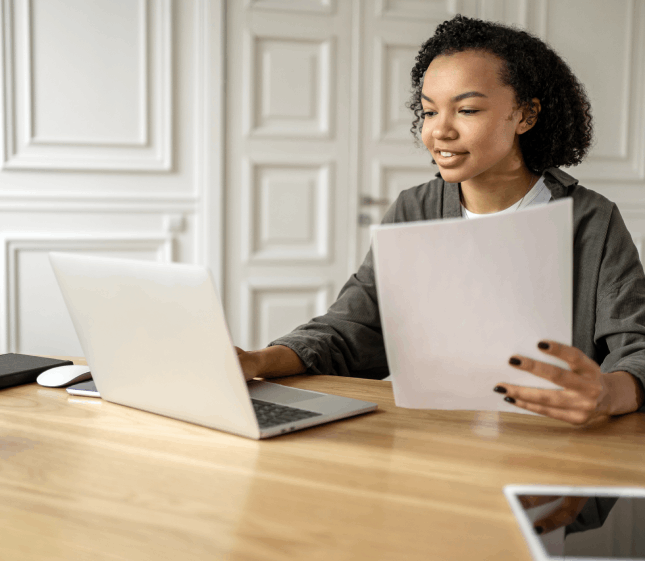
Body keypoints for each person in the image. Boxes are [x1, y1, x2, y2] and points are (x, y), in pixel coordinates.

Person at [235, 15, 645, 429]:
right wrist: (254, 361)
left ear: (525, 115)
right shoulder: (415, 209)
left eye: (466, 109)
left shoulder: (592, 220)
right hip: (435, 437)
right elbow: (353, 327)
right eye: (429, 112)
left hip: (552, 445)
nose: (439, 132)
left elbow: (637, 347)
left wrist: (609, 394)